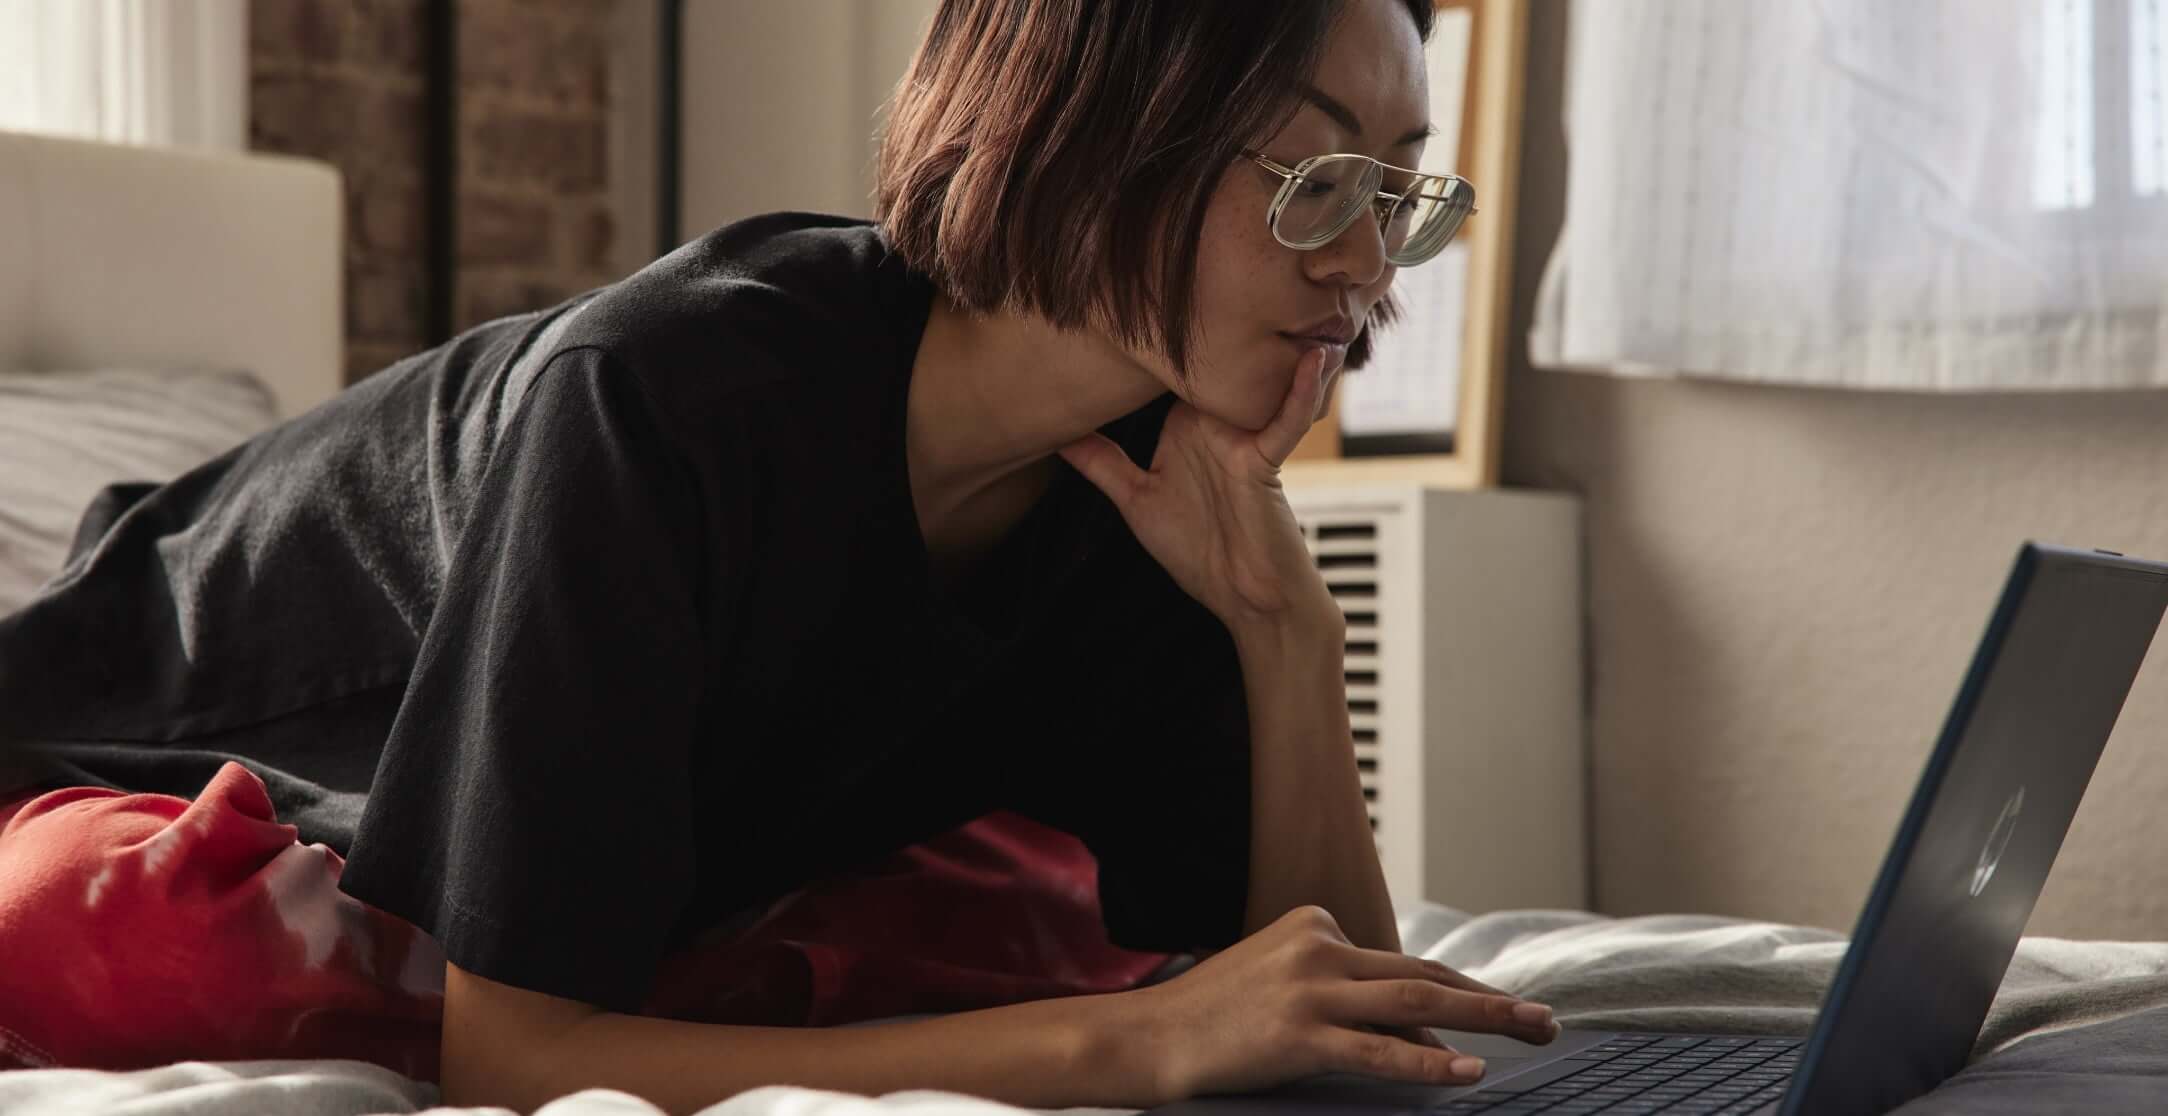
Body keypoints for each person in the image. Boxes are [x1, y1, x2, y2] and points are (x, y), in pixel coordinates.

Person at [0, 0, 1556, 1111]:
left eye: (1399, 192)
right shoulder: (662, 401)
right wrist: (1123, 1052)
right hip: (152, 725)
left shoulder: (1154, 490)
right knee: (134, 946)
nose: (1362, 269)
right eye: (1319, 184)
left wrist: (1290, 635)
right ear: (1096, 139)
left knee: (1011, 923)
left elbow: (1345, 1005)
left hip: (685, 827)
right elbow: (514, 1061)